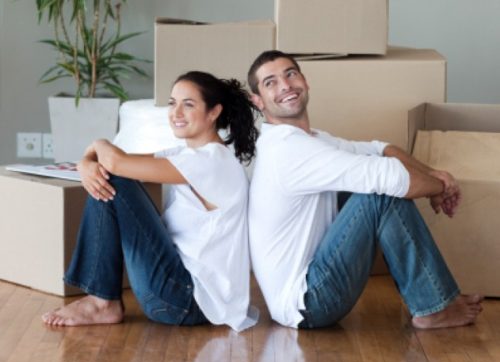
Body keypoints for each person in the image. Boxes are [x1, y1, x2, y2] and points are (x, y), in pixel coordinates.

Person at [246, 50, 483, 330]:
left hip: (309, 286)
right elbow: (391, 177)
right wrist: (440, 187)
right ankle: (435, 306)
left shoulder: (308, 139)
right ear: (258, 101)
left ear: (305, 81)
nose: (285, 86)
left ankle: (434, 299)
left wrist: (431, 174)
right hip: (309, 302)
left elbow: (378, 149)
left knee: (377, 177)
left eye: (290, 74)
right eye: (270, 82)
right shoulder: (289, 150)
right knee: (380, 195)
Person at [42, 71, 260, 332]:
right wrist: (85, 163)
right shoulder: (188, 154)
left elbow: (114, 162)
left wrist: (98, 144)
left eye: (188, 104)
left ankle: (102, 302)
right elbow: (114, 159)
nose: (176, 113)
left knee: (115, 178)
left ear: (213, 112)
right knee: (113, 174)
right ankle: (101, 300)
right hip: (179, 294)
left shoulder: (212, 162)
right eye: (172, 103)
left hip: (184, 301)